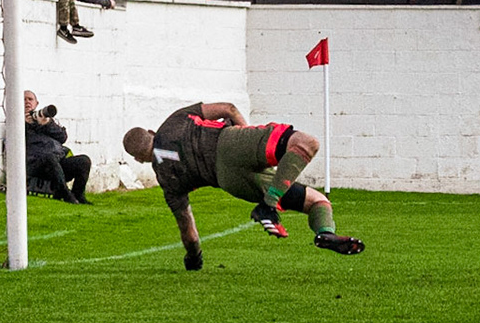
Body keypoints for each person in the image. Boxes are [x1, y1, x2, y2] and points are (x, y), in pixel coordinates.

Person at [122, 101, 363, 269]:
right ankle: (270, 207)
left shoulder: (166, 180)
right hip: (229, 144)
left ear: (138, 159)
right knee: (306, 143)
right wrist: (246, 136)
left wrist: (194, 258)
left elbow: (189, 230)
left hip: (228, 182)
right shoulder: (173, 122)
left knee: (316, 201)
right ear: (151, 132)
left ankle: (325, 234)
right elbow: (229, 108)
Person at [24, 90, 91, 204]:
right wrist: (25, 123)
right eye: (24, 99)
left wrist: (46, 123)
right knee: (49, 158)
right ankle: (65, 194)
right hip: (35, 165)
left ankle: (78, 195)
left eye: (30, 99)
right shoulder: (15, 122)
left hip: (56, 163)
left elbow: (62, 137)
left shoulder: (43, 119)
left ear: (36, 103)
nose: (27, 102)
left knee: (84, 161)